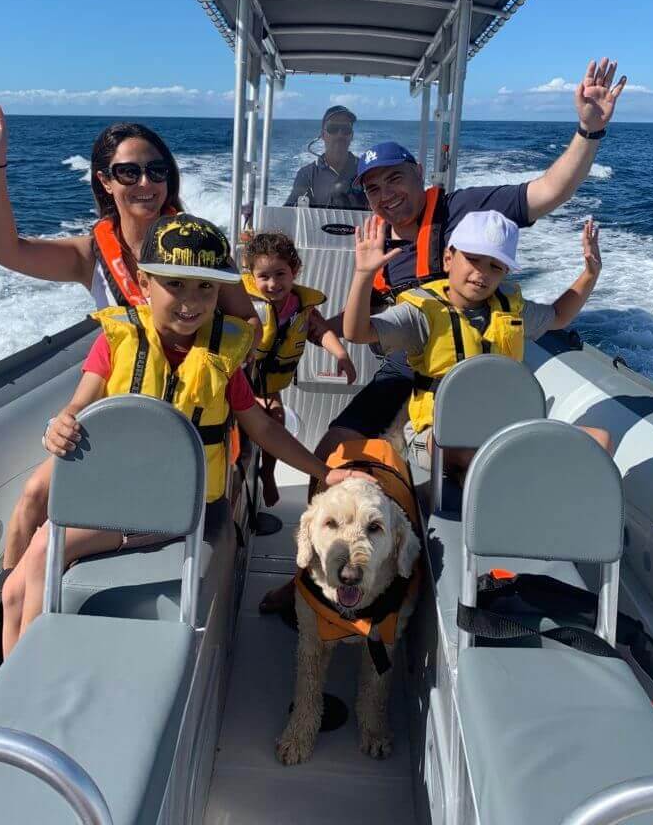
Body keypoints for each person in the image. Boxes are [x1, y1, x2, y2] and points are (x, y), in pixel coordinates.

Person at [259, 55, 626, 614]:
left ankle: (470, 560)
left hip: (477, 372)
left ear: (418, 178)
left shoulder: (466, 211)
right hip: (410, 363)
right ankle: (310, 579)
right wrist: (312, 327)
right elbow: (364, 323)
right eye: (374, 187)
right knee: (330, 451)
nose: (387, 193)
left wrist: (590, 128)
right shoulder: (379, 244)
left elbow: (550, 191)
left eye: (396, 180)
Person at [0, 94, 258, 634]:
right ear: (105, 181)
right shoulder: (92, 253)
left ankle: (20, 615)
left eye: (156, 169)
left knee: (48, 526)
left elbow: (245, 331)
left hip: (178, 434)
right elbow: (4, 251)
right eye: (127, 172)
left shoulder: (197, 252)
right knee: (32, 499)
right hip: (111, 421)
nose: (145, 182)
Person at [1, 214, 371, 656]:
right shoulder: (117, 342)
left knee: (43, 549)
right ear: (144, 281)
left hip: (177, 505)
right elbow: (77, 408)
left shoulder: (221, 356)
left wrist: (323, 472)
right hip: (118, 494)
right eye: (175, 284)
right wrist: (57, 427)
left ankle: (30, 681)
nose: (190, 301)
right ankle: (9, 682)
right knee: (11, 594)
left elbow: (262, 428)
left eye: (205, 288)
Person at [344, 210, 610, 472]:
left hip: (500, 429)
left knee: (599, 440)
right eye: (473, 259)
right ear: (449, 259)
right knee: (477, 455)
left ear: (504, 272)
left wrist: (590, 273)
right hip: (435, 437)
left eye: (495, 266)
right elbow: (357, 332)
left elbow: (559, 316)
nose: (482, 273)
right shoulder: (421, 313)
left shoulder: (511, 310)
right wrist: (364, 275)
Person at [242, 232, 357, 506]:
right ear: (251, 275)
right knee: (257, 423)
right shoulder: (246, 304)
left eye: (280, 274)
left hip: (269, 384)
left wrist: (341, 355)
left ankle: (267, 473)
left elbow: (320, 331)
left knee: (276, 419)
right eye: (264, 276)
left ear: (295, 271)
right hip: (241, 381)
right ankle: (246, 474)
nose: (272, 284)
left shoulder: (300, 307)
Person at [284, 105, 368, 209]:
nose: (340, 135)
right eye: (333, 128)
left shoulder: (366, 172)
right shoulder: (307, 175)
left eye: (346, 129)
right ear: (323, 135)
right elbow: (289, 213)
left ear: (351, 135)